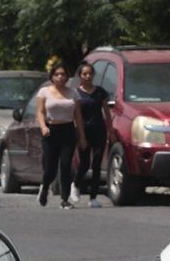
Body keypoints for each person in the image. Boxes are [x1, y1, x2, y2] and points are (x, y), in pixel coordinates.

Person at [36, 63, 87, 209]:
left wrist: (82, 137)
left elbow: (78, 116)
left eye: (63, 74)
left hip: (68, 130)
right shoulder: (44, 92)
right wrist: (43, 126)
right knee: (50, 168)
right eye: (57, 74)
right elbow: (40, 112)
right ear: (52, 76)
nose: (60, 77)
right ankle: (45, 187)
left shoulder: (73, 94)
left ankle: (65, 199)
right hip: (51, 131)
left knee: (65, 165)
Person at [72, 61, 114, 208]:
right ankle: (76, 185)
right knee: (84, 163)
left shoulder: (100, 92)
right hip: (84, 130)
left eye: (90, 73)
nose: (88, 76)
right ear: (80, 76)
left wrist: (111, 131)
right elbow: (76, 116)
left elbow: (107, 113)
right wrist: (81, 137)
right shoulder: (76, 93)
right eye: (84, 74)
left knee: (97, 162)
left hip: (99, 130)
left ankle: (93, 197)